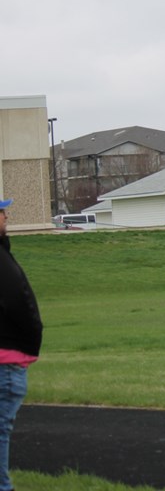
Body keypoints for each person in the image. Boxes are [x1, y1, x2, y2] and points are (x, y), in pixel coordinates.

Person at [0, 198, 43, 491]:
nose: (6, 218)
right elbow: (18, 303)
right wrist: (32, 335)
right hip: (6, 362)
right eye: (1, 213)